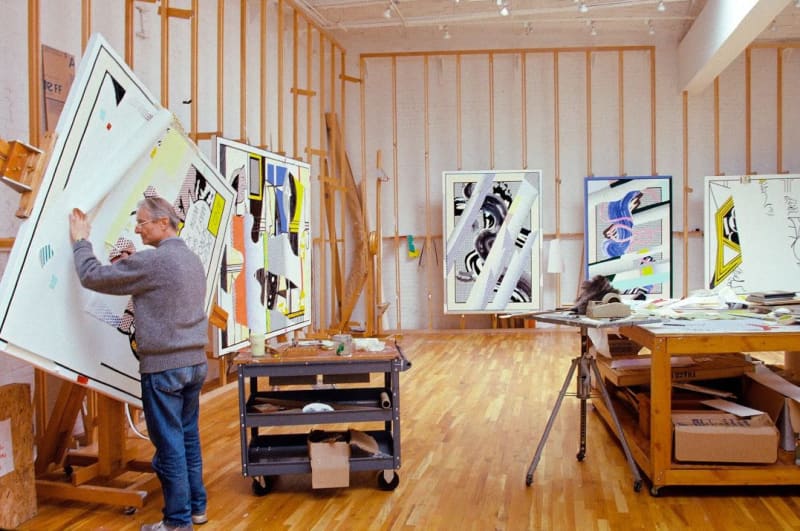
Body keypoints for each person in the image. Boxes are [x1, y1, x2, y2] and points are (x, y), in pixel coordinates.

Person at [69, 197, 209, 531]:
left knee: (170, 445)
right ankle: (196, 509)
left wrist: (80, 240)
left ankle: (176, 522)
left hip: (164, 368)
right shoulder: (192, 259)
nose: (136, 228)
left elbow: (92, 276)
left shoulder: (153, 262)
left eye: (142, 222)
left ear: (164, 223)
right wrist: (136, 266)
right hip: (194, 364)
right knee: (188, 438)